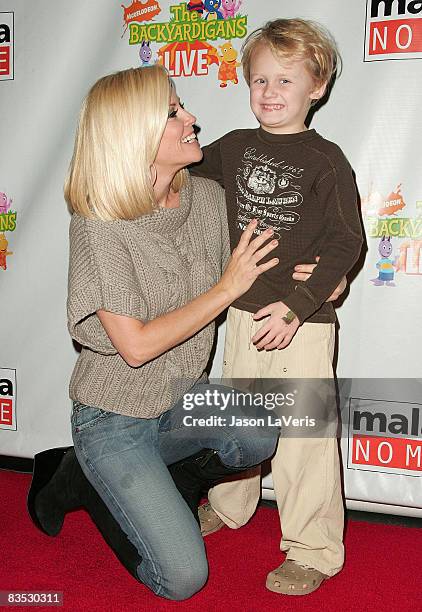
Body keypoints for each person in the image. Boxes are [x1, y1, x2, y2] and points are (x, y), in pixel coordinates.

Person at [27, 64, 283, 601]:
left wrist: (309, 286)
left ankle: (128, 478)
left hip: (179, 399)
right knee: (183, 580)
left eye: (181, 106)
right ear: (132, 132)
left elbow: (244, 274)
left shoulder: (207, 200)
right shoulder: (100, 224)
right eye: (173, 112)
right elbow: (137, 345)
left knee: (258, 431)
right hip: (113, 418)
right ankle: (79, 477)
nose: (192, 118)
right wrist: (225, 289)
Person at [191, 18, 363, 596]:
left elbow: (347, 242)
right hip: (240, 315)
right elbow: (184, 174)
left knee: (304, 444)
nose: (269, 93)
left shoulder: (326, 159)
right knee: (238, 421)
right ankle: (230, 504)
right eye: (259, 79)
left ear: (317, 87)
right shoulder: (235, 147)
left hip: (303, 322)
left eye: (285, 81)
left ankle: (313, 548)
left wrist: (300, 304)